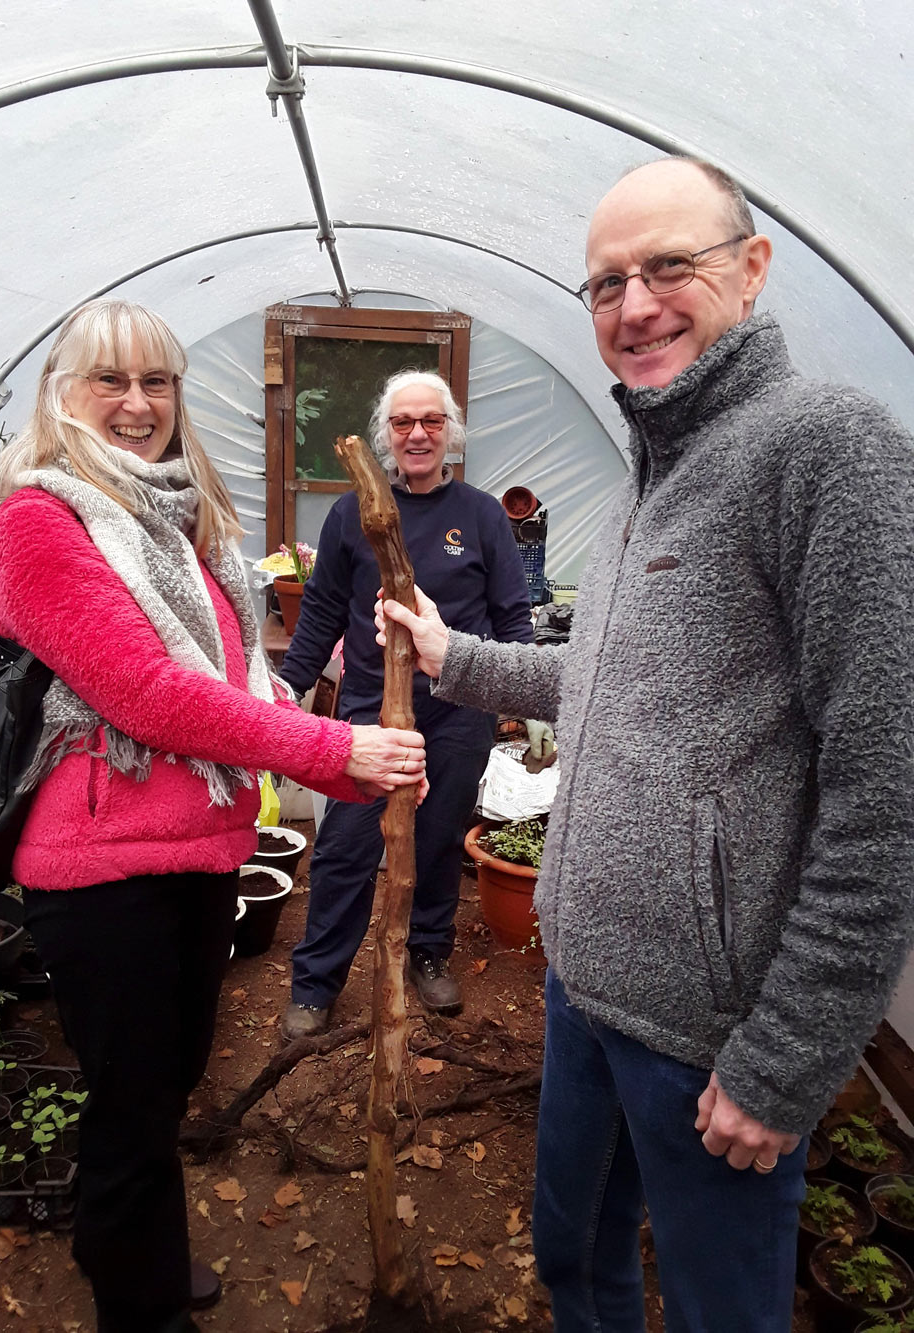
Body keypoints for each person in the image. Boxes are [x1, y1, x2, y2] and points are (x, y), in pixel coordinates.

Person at [379, 158, 914, 1332]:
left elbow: (888, 785)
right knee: (574, 1263)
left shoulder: (826, 450)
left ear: (752, 269)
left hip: (708, 1037)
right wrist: (454, 657)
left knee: (721, 1310)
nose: (635, 305)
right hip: (583, 986)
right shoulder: (642, 486)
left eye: (670, 266)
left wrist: (786, 1055)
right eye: (607, 281)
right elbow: (610, 680)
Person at [0, 299, 426, 1333]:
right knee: (133, 1108)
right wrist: (333, 748)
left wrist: (365, 772)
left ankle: (129, 1248)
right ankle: (140, 1307)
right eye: (111, 380)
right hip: (101, 867)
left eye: (158, 382)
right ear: (63, 392)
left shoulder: (176, 524)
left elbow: (238, 680)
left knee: (167, 1081)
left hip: (196, 854)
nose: (138, 405)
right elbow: (149, 694)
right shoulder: (39, 520)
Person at [278, 369, 534, 1039]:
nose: (417, 433)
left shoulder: (480, 515)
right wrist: (285, 690)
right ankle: (317, 981)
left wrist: (516, 699)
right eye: (402, 422)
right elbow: (322, 613)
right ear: (383, 435)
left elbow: (513, 618)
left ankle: (427, 951)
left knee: (439, 838)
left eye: (431, 421)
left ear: (451, 431)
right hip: (370, 710)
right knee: (344, 848)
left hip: (457, 710)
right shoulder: (352, 513)